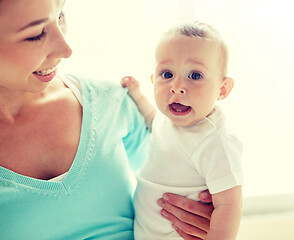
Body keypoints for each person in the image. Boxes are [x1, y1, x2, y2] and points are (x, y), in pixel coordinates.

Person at [0, 1, 213, 239]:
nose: (66, 49)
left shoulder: (111, 102)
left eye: (60, 16)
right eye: (36, 34)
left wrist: (204, 212)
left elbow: (182, 177)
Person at [121, 21, 243, 240]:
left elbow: (230, 205)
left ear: (222, 89)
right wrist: (138, 97)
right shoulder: (168, 119)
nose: (176, 86)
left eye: (195, 75)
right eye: (166, 74)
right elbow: (153, 120)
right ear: (153, 79)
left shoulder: (214, 140)